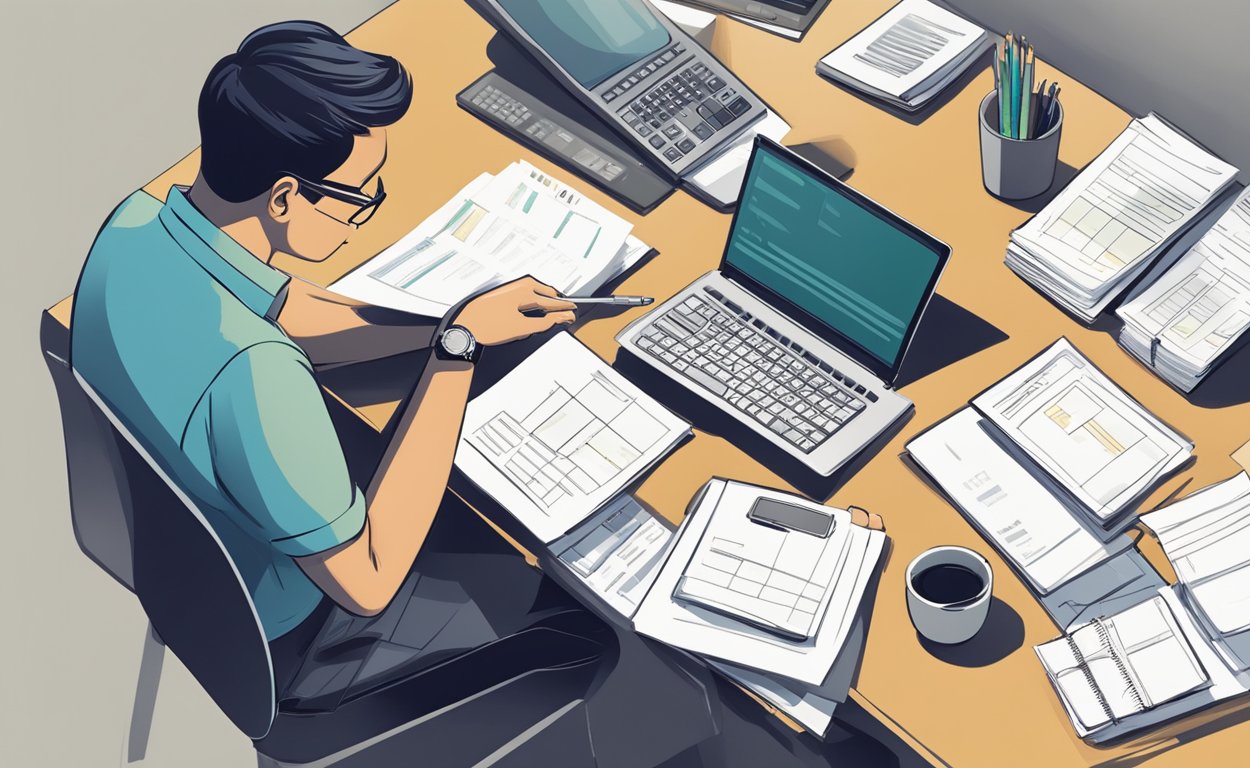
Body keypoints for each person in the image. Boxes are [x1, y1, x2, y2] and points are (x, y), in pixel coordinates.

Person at [70, 20, 898, 768]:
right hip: (294, 643)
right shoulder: (253, 375)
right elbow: (368, 579)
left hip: (179, 563)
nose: (368, 217)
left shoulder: (139, 228)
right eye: (362, 196)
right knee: (580, 609)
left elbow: (284, 306)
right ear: (285, 196)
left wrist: (443, 322)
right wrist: (456, 357)